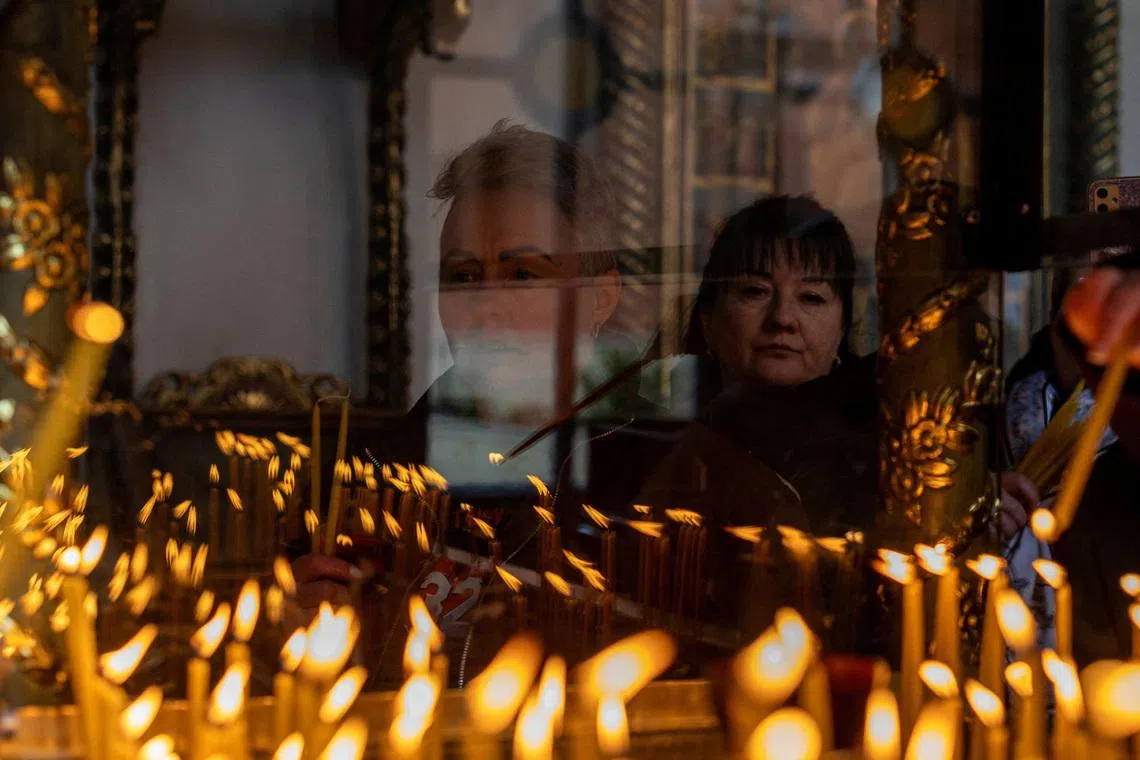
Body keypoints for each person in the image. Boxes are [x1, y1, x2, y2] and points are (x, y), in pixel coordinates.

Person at [293, 122, 635, 622]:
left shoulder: (654, 478)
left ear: (600, 297)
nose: (486, 305)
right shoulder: (368, 480)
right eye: (463, 277)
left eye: (523, 276)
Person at [638, 195, 875, 535]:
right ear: (709, 319)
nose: (782, 319)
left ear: (842, 328)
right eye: (755, 291)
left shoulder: (871, 457)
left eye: (811, 297)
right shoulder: (664, 444)